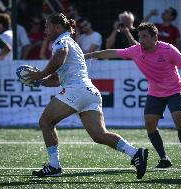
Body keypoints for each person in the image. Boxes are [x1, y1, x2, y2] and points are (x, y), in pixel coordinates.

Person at [25, 13, 148, 179]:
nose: (45, 29)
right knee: (99, 135)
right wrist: (39, 81)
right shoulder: (71, 42)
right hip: (89, 92)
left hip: (77, 90)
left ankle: (54, 165)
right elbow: (56, 79)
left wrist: (39, 75)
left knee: (45, 122)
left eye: (47, 25)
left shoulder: (62, 41)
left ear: (58, 27)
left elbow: (60, 57)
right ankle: (135, 153)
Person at [85, 22, 181, 169]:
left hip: (175, 90)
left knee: (179, 122)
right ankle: (164, 159)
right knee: (150, 125)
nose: (141, 40)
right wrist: (92, 54)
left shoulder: (168, 49)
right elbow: (113, 52)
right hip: (155, 92)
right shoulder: (136, 50)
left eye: (144, 36)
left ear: (155, 37)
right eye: (139, 36)